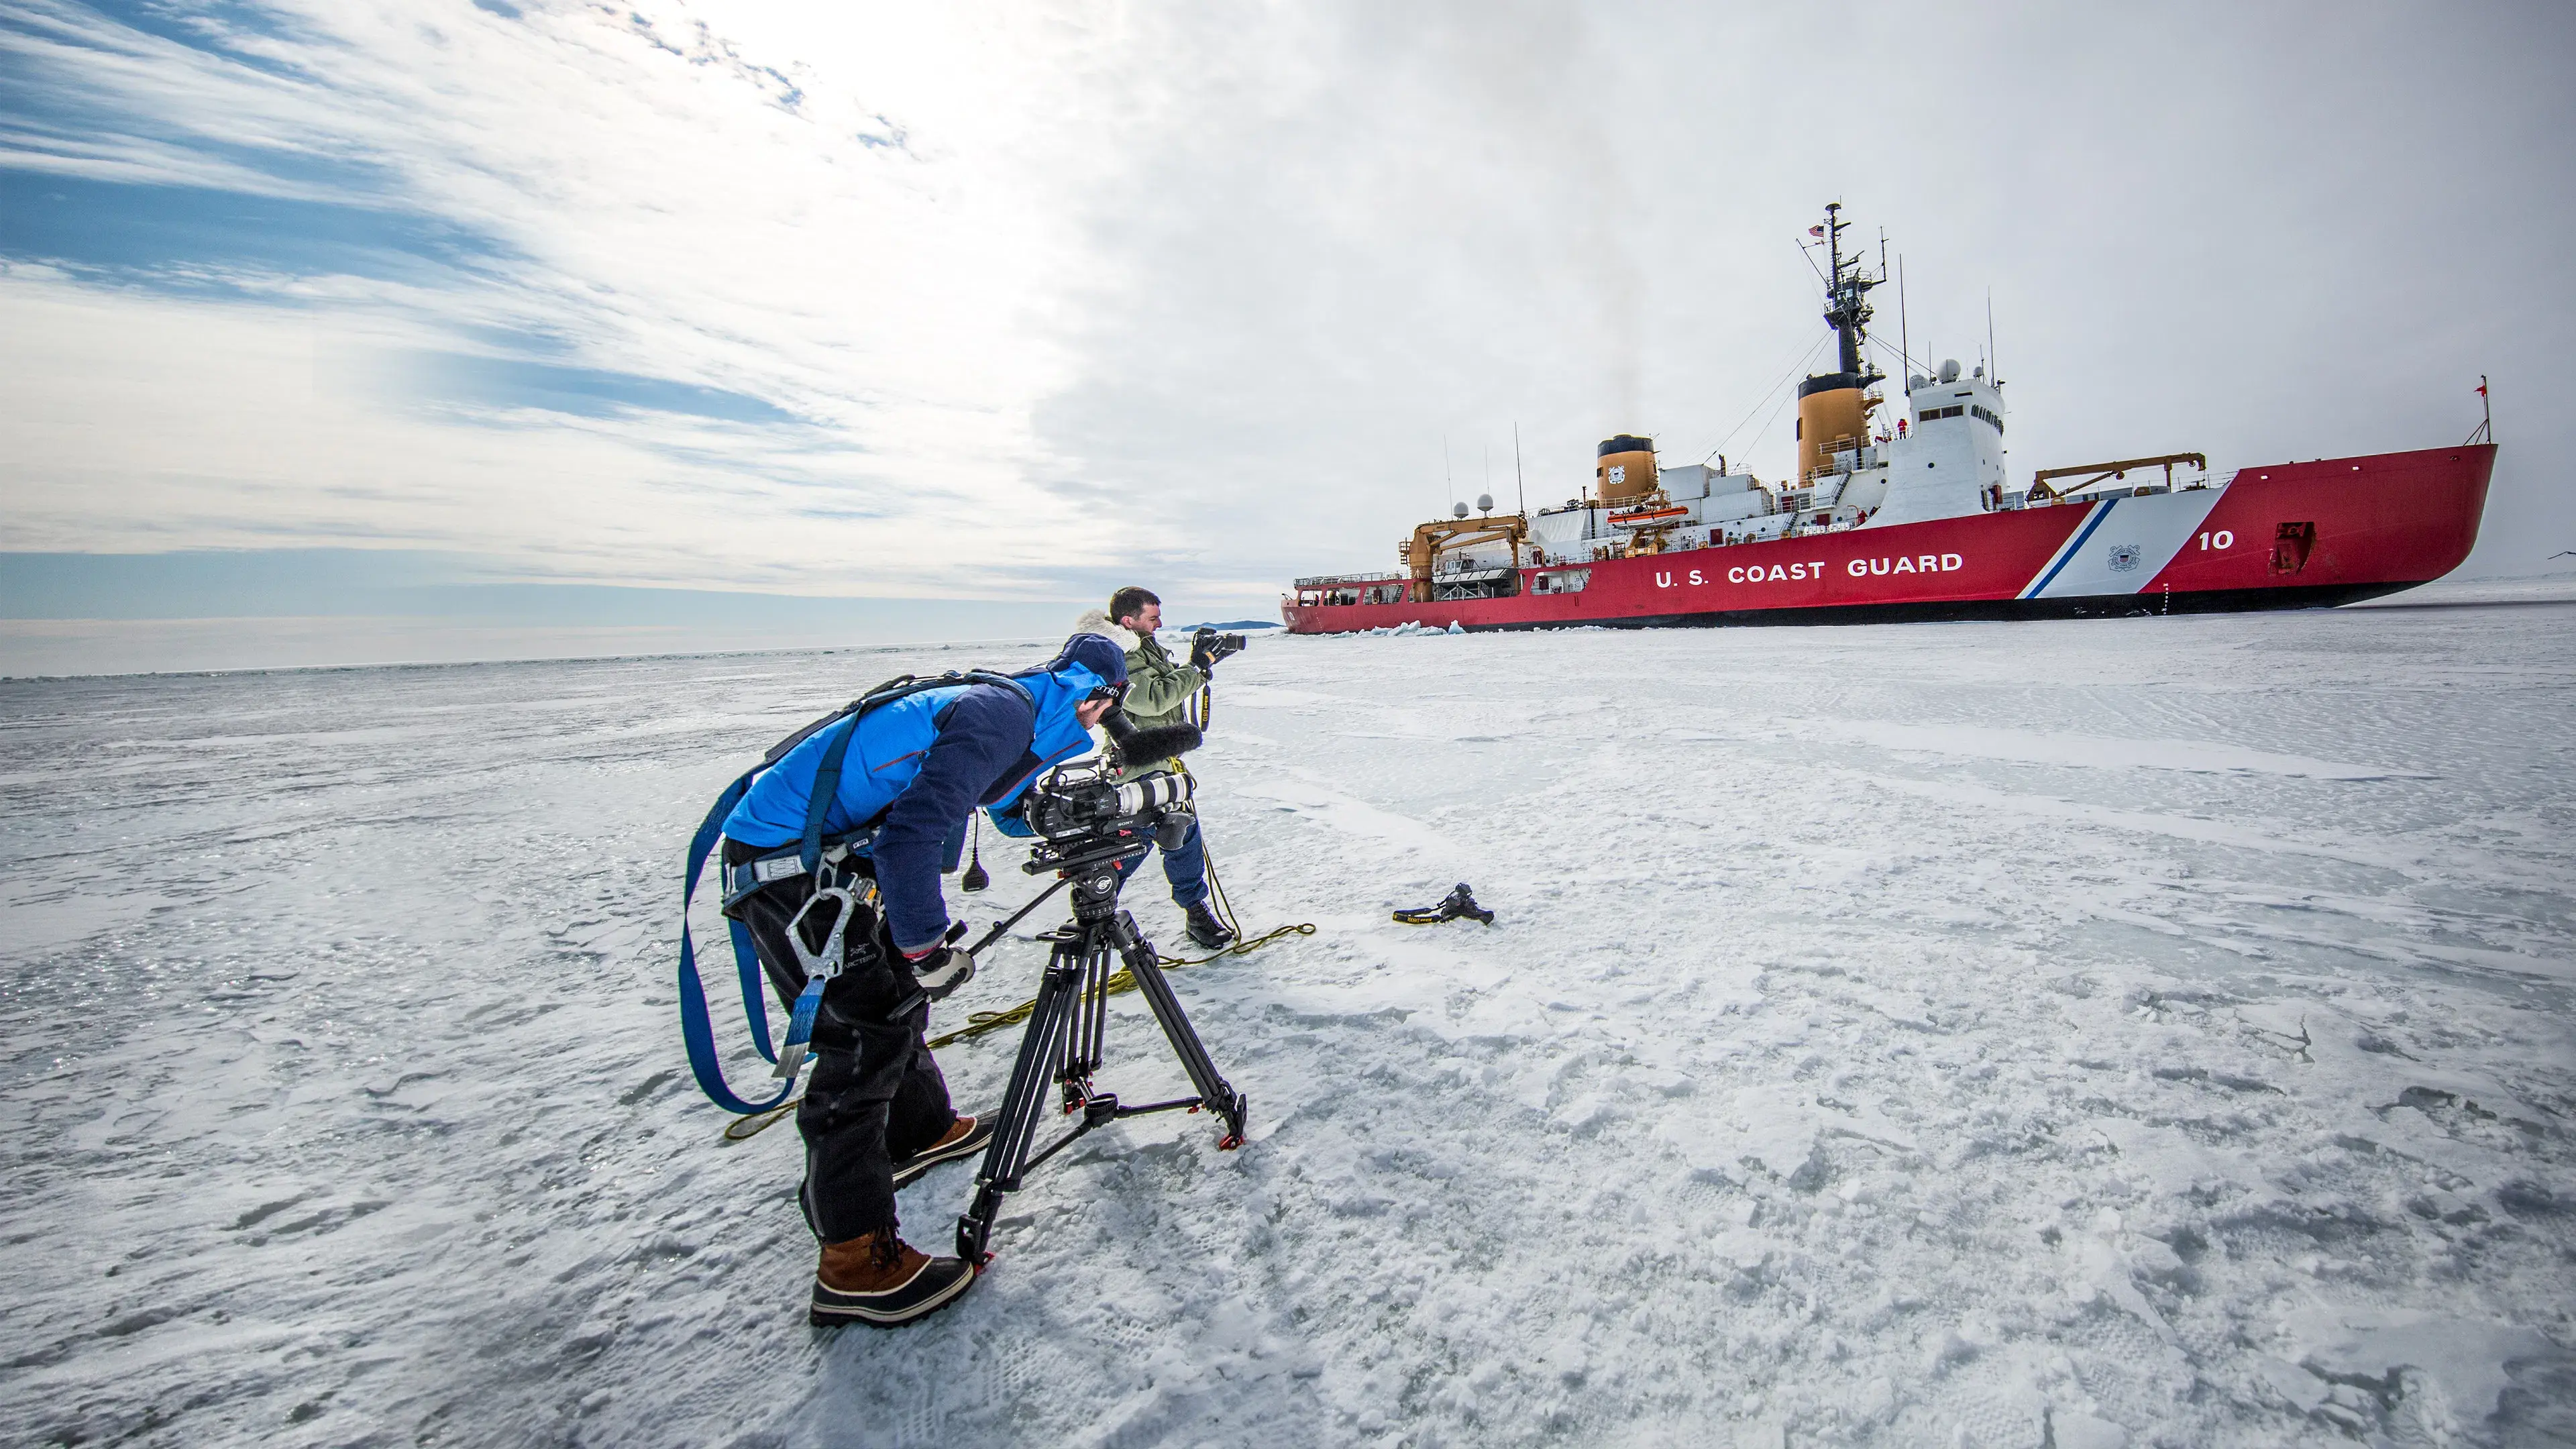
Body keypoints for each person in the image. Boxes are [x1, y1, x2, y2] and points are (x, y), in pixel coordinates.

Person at [719, 635, 1128, 1327]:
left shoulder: (1018, 708)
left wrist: (1069, 819)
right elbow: (914, 832)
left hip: (833, 861)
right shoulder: (1004, 715)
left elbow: (994, 802)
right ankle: (853, 1259)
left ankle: (920, 1132)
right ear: (1097, 697)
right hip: (789, 871)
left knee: (893, 1006)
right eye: (1105, 714)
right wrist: (924, 943)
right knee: (859, 1041)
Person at [1073, 587, 1236, 950]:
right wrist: (1196, 669)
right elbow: (1152, 699)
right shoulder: (1118, 654)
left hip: (1159, 755)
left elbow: (1161, 687)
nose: (1160, 623)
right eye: (1153, 617)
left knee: (1180, 832)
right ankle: (1096, 908)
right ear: (1128, 620)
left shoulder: (1141, 645)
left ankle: (1194, 911)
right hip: (1137, 759)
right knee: (1139, 836)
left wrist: (1198, 665)